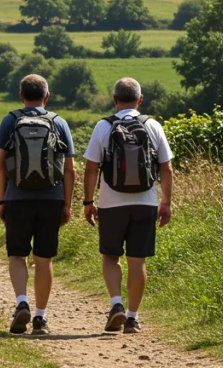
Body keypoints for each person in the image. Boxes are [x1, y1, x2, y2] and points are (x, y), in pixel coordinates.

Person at [83, 78, 174, 335]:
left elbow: (91, 168)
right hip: (146, 202)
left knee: (111, 257)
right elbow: (166, 168)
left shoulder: (103, 126)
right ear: (140, 100)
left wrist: (88, 202)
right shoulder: (153, 125)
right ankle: (132, 318)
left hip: (111, 204)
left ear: (114, 99)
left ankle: (116, 304)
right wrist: (165, 203)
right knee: (138, 261)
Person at [0, 74, 75, 336]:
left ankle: (21, 302)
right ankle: (40, 318)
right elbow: (70, 169)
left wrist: (1, 199)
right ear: (46, 96)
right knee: (44, 259)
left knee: (17, 255)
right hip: (51, 199)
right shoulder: (58, 122)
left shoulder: (10, 120)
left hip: (17, 198)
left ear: (21, 96)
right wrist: (67, 204)